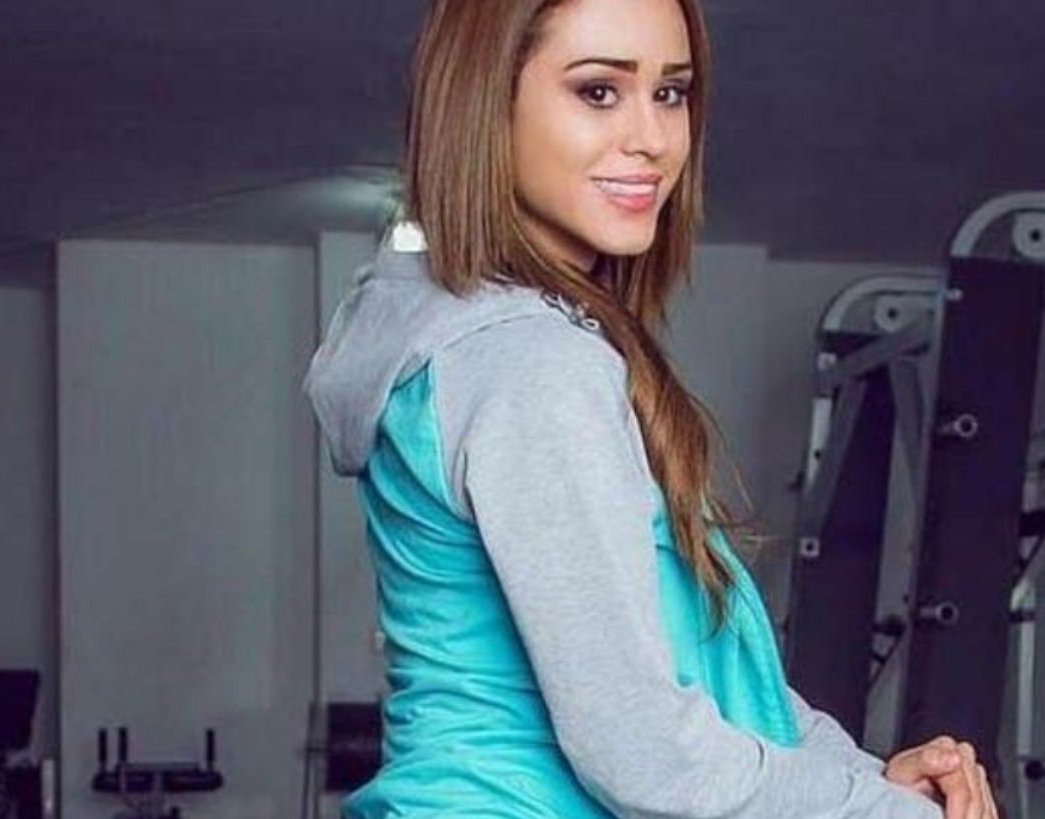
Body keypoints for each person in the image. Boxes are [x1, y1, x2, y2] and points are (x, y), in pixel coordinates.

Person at [306, 0, 999, 816]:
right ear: (484, 103)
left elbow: (695, 675)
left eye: (670, 93)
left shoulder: (491, 345)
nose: (654, 139)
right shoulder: (530, 364)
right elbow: (647, 756)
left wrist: (864, 779)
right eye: (599, 91)